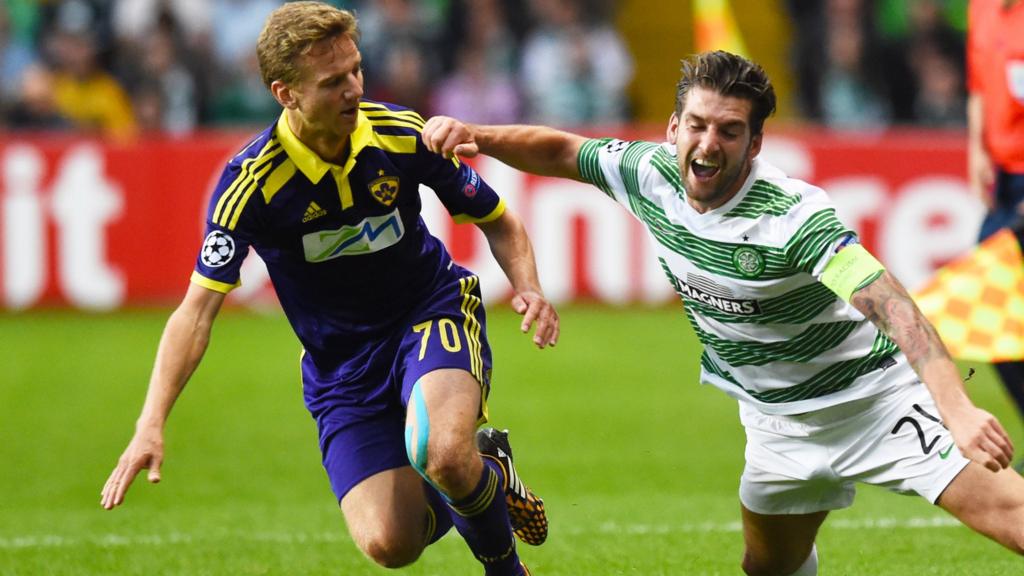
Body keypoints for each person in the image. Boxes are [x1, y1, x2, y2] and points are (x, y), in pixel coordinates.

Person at [422, 50, 1024, 575]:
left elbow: (893, 305)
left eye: (730, 131)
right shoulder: (648, 173)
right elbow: (561, 149)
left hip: (873, 406)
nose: (708, 144)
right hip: (774, 423)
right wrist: (480, 134)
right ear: (673, 127)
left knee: (1010, 518)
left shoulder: (792, 218)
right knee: (766, 567)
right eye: (697, 126)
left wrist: (957, 407)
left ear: (755, 143)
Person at [100, 4, 556, 576]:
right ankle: (485, 469)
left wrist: (529, 287)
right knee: (392, 544)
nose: (354, 90)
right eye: (333, 81)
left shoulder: (400, 133)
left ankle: (505, 567)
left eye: (356, 71)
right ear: (284, 92)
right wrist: (151, 423)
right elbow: (196, 313)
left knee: (440, 452)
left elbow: (499, 218)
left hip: (428, 310)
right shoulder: (252, 184)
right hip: (339, 362)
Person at [967, 0, 1024, 466]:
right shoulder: (981, 8)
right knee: (991, 312)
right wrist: (976, 147)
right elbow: (978, 86)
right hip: (1004, 179)